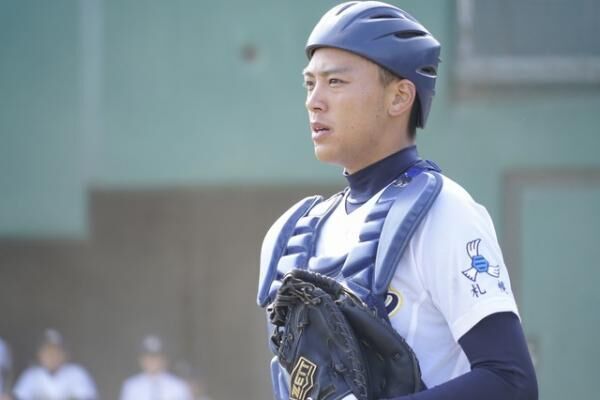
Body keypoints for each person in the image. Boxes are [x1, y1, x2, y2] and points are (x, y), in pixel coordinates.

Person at [257, 1, 538, 399]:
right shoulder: (289, 235)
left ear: (399, 97)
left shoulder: (444, 213)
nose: (314, 101)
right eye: (309, 83)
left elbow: (511, 382)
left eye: (335, 82)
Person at [12, 329, 98, 400]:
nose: (52, 356)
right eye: (48, 351)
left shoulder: (77, 373)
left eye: (56, 351)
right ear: (40, 354)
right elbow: (18, 396)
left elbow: (88, 396)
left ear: (64, 354)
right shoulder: (31, 375)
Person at [119, 335, 193, 400]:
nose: (152, 361)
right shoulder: (131, 386)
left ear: (164, 359)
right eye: (148, 357)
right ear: (141, 360)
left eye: (156, 357)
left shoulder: (178, 386)